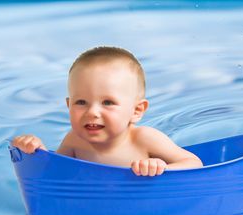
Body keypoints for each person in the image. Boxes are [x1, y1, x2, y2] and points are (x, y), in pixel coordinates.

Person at [11, 46, 203, 176]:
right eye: (81, 102)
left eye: (108, 102)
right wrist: (35, 151)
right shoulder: (75, 140)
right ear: (68, 106)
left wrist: (162, 168)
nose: (92, 112)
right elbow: (53, 172)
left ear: (136, 110)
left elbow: (194, 163)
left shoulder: (145, 139)